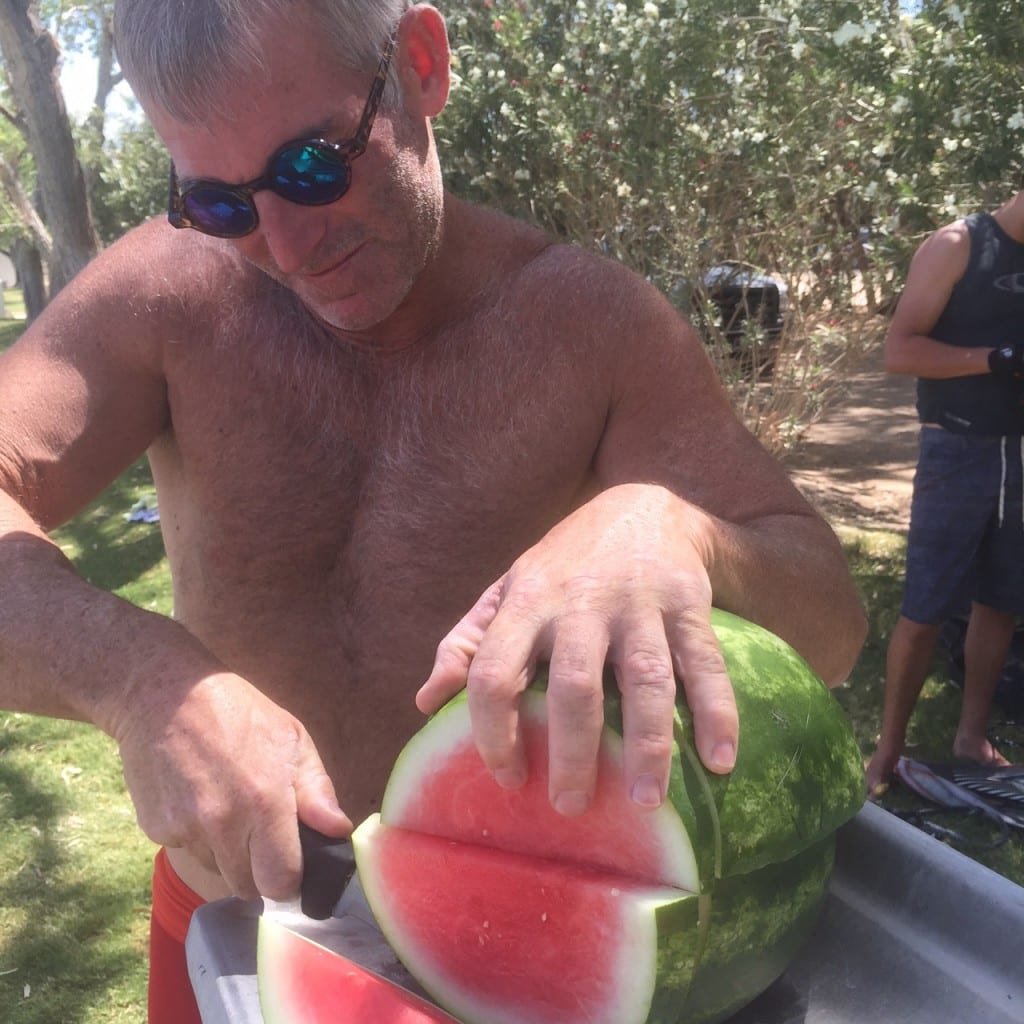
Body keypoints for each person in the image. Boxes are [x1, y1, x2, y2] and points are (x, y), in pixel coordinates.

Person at [0, 1, 865, 1020]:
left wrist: (673, 526)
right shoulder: (165, 293)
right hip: (231, 918)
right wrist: (141, 682)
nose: (282, 243)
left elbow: (832, 626)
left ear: (419, 63)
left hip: (522, 950)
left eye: (313, 166)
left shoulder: (591, 325)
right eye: (222, 203)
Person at [866, 182, 1024, 796]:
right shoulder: (957, 245)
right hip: (956, 450)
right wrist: (996, 357)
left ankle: (971, 737)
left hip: (1021, 454)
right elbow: (899, 351)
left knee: (1001, 603)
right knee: (925, 609)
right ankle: (887, 752)